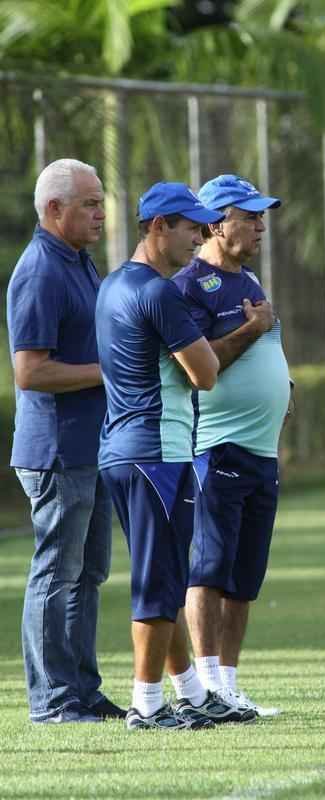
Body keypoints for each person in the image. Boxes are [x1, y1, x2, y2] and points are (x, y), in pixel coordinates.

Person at [96, 182, 254, 731]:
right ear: (159, 225)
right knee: (159, 582)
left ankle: (188, 692)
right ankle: (146, 704)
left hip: (120, 450)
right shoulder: (161, 293)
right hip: (157, 451)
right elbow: (205, 373)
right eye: (190, 226)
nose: (199, 236)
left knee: (159, 573)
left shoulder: (113, 284)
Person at [6, 158, 124, 723]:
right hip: (57, 451)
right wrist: (108, 372)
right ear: (54, 209)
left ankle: (81, 689)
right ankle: (52, 700)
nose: (101, 213)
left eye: (100, 201)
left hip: (92, 445)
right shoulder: (39, 271)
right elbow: (29, 372)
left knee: (89, 572)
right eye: (89, 204)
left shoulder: (79, 261)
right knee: (57, 569)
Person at [173, 174, 292, 717]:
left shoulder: (252, 281)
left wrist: (282, 388)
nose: (261, 225)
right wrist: (253, 332)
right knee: (210, 570)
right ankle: (209, 685)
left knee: (245, 577)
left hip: (261, 452)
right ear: (217, 224)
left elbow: (267, 342)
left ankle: (230, 684)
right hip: (216, 447)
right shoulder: (189, 287)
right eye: (249, 216)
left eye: (262, 215)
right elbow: (203, 366)